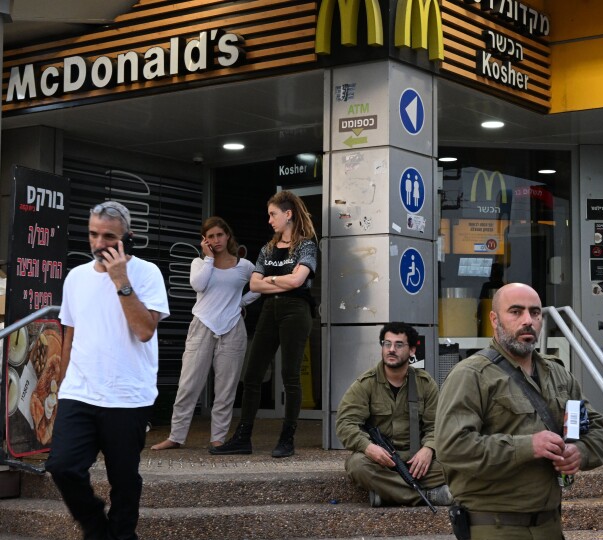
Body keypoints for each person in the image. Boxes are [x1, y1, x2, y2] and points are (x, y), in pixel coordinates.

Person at [436, 283, 603, 540]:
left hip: (550, 525)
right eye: (516, 312)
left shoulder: (559, 375)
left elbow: (592, 428)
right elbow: (452, 447)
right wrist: (527, 447)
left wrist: (578, 453)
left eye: (535, 313)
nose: (528, 320)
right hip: (495, 527)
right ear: (495, 319)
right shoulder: (471, 375)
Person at [46, 201, 170, 540]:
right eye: (93, 234)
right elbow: (70, 334)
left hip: (128, 395)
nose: (99, 243)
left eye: (108, 236)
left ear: (126, 237)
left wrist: (121, 282)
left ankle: (123, 536)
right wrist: (61, 387)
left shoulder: (148, 273)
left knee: (124, 478)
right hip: (79, 392)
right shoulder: (76, 277)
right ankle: (96, 529)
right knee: (62, 466)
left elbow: (145, 330)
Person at [210, 191, 317, 458]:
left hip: (296, 309)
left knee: (290, 375)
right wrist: (277, 281)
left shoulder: (306, 246)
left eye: (273, 214)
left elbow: (297, 282)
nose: (269, 220)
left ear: (288, 214)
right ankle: (243, 436)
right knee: (253, 373)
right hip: (270, 310)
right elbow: (254, 284)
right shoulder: (268, 248)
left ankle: (287, 439)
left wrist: (270, 281)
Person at [152, 217, 259, 451]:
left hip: (232, 328)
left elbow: (259, 287)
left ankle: (217, 439)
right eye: (210, 236)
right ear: (204, 240)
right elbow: (198, 285)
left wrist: (242, 302)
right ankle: (176, 436)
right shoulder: (199, 264)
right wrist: (209, 258)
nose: (216, 240)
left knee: (226, 388)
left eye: (219, 235)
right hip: (202, 325)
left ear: (227, 236)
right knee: (188, 385)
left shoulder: (245, 266)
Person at [335, 322, 452, 507]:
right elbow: (345, 423)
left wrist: (429, 449)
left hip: (417, 461)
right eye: (386, 343)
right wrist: (368, 447)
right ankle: (429, 496)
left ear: (412, 350)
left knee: (458, 463)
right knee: (357, 466)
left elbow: (437, 425)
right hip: (381, 461)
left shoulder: (425, 383)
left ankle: (387, 493)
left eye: (399, 345)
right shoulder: (366, 383)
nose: (391, 349)